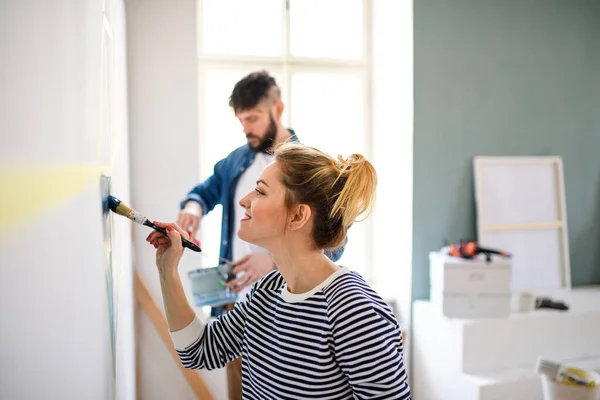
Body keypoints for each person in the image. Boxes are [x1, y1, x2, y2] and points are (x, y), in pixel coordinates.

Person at [148, 142, 411, 399]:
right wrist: (166, 269)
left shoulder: (354, 310)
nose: (243, 201)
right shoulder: (267, 290)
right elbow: (198, 351)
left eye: (260, 192)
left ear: (298, 216)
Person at [176, 70, 344, 399]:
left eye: (252, 118)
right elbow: (204, 191)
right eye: (241, 121)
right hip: (235, 309)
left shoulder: (307, 167)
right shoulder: (235, 161)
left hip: (290, 312)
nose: (247, 129)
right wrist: (193, 208)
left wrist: (273, 262)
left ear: (278, 109)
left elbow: (334, 241)